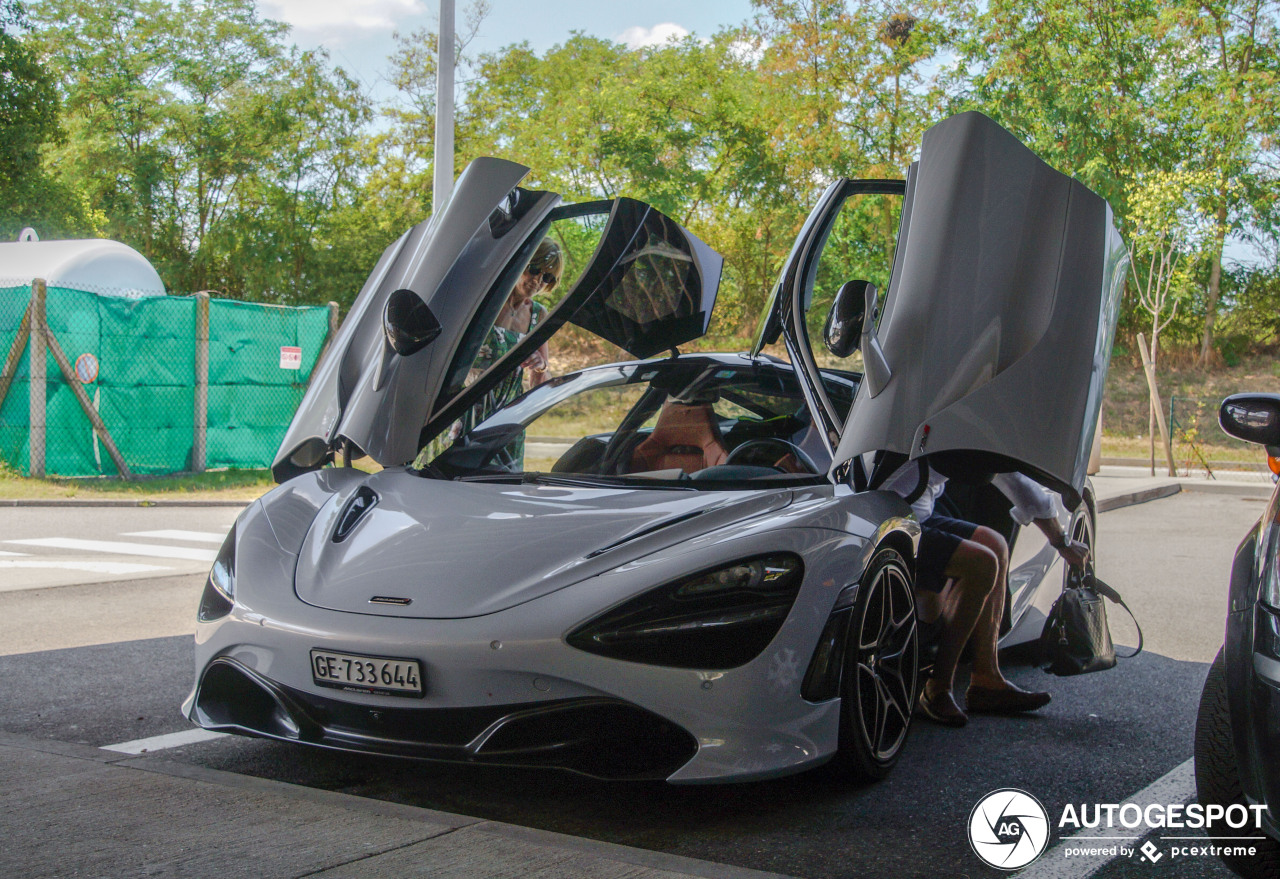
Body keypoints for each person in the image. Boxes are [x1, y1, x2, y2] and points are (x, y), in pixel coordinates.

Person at [879, 461, 1090, 727]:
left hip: (919, 513)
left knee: (995, 544)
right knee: (982, 563)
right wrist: (1061, 542)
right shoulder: (966, 423)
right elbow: (1013, 479)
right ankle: (938, 687)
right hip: (892, 519)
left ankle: (986, 679)